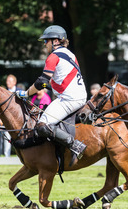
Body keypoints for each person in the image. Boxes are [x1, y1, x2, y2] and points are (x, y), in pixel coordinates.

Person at [16, 25, 87, 165]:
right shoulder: (70, 54)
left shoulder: (53, 57)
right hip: (78, 96)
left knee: (42, 125)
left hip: (69, 99)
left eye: (45, 41)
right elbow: (51, 82)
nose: (44, 45)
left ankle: (75, 145)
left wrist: (26, 93)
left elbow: (42, 81)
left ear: (55, 41)